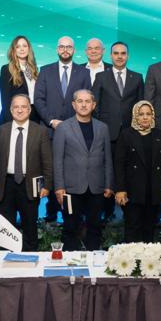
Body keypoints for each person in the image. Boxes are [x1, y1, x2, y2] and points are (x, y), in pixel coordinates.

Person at [52, 89, 114, 251]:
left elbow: (107, 158)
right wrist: (59, 187)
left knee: (95, 227)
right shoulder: (63, 128)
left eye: (88, 101)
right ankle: (69, 263)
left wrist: (109, 184)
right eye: (80, 101)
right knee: (70, 228)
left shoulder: (103, 128)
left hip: (96, 187)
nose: (84, 105)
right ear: (74, 105)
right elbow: (57, 160)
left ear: (93, 105)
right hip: (71, 188)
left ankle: (93, 261)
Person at [0, 94, 52, 253]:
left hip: (30, 185)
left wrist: (47, 186)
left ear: (29, 110)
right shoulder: (1, 131)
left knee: (30, 226)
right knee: (5, 228)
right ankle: (6, 259)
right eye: (16, 107)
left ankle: (30, 259)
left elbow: (47, 161)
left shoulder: (40, 131)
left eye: (23, 107)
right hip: (6, 185)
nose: (19, 110)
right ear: (10, 110)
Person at [113, 100, 161, 244]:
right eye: (141, 114)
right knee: (132, 228)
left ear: (153, 116)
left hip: (154, 192)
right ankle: (131, 258)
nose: (145, 117)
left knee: (150, 230)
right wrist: (120, 189)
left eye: (148, 114)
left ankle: (149, 258)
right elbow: (119, 164)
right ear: (135, 116)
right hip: (132, 192)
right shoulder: (126, 135)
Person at [93, 41, 144, 141]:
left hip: (131, 130)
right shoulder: (101, 77)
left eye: (123, 53)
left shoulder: (137, 78)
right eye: (116, 53)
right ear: (111, 56)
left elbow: (141, 104)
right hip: (106, 130)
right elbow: (95, 104)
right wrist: (98, 127)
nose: (119, 56)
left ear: (128, 56)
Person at [35, 36, 88, 131]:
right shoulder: (45, 71)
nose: (65, 50)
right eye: (62, 47)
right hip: (49, 129)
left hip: (76, 128)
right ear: (57, 50)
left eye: (69, 47)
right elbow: (38, 99)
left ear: (74, 50)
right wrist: (51, 121)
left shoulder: (84, 72)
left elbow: (87, 101)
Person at [0, 35, 39, 125]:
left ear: (29, 49)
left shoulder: (34, 69)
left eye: (24, 46)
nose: (22, 49)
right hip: (14, 117)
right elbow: (5, 100)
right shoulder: (7, 69)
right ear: (14, 50)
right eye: (18, 46)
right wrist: (11, 123)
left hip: (33, 116)